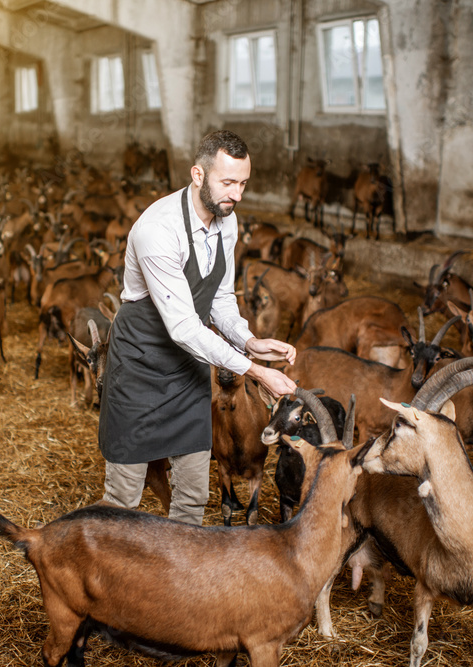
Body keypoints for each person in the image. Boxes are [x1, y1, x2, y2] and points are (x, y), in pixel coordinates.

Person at [97, 130, 298, 526]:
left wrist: (250, 341)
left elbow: (219, 298)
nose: (237, 194)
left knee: (192, 493)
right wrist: (256, 371)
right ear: (198, 175)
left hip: (188, 366)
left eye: (243, 183)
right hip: (141, 363)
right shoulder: (158, 229)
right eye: (228, 182)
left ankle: (179, 581)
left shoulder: (228, 220)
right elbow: (186, 326)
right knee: (124, 494)